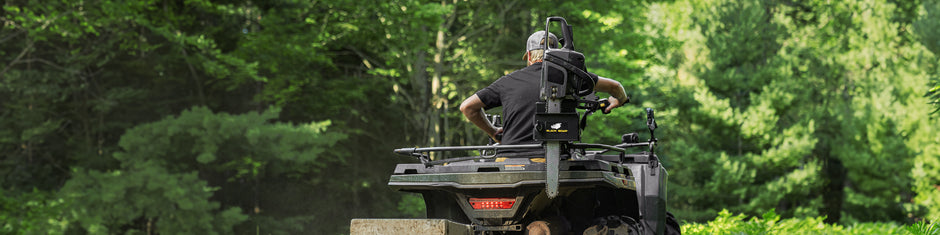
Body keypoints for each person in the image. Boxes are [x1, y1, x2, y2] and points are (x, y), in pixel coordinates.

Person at [459, 31, 630, 145]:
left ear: (528, 56)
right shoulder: (573, 76)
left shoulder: (507, 82)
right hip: (560, 161)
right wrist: (618, 100)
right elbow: (615, 87)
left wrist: (494, 132)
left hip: (511, 158)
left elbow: (467, 107)